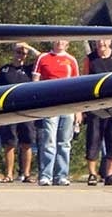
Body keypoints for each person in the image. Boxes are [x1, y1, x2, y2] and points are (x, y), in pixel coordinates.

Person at [31, 39, 79, 186]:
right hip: (50, 105)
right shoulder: (43, 58)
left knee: (64, 142)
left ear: (67, 43)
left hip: (68, 105)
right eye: (57, 39)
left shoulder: (71, 60)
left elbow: (78, 85)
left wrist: (78, 111)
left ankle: (62, 175)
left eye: (63, 40)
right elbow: (35, 81)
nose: (60, 42)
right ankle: (46, 175)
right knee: (49, 141)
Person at [83, 39, 112, 185]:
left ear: (110, 41)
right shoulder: (90, 59)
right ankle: (92, 174)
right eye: (99, 40)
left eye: (105, 39)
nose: (102, 42)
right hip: (95, 106)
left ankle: (109, 173)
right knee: (93, 138)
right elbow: (85, 82)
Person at [0, 44, 39, 182]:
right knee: (10, 143)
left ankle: (26, 174)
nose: (21, 55)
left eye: (23, 53)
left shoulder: (30, 69)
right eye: (18, 52)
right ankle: (9, 174)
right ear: (13, 53)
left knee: (27, 142)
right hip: (9, 110)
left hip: (26, 110)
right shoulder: (4, 70)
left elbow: (42, 58)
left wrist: (29, 47)